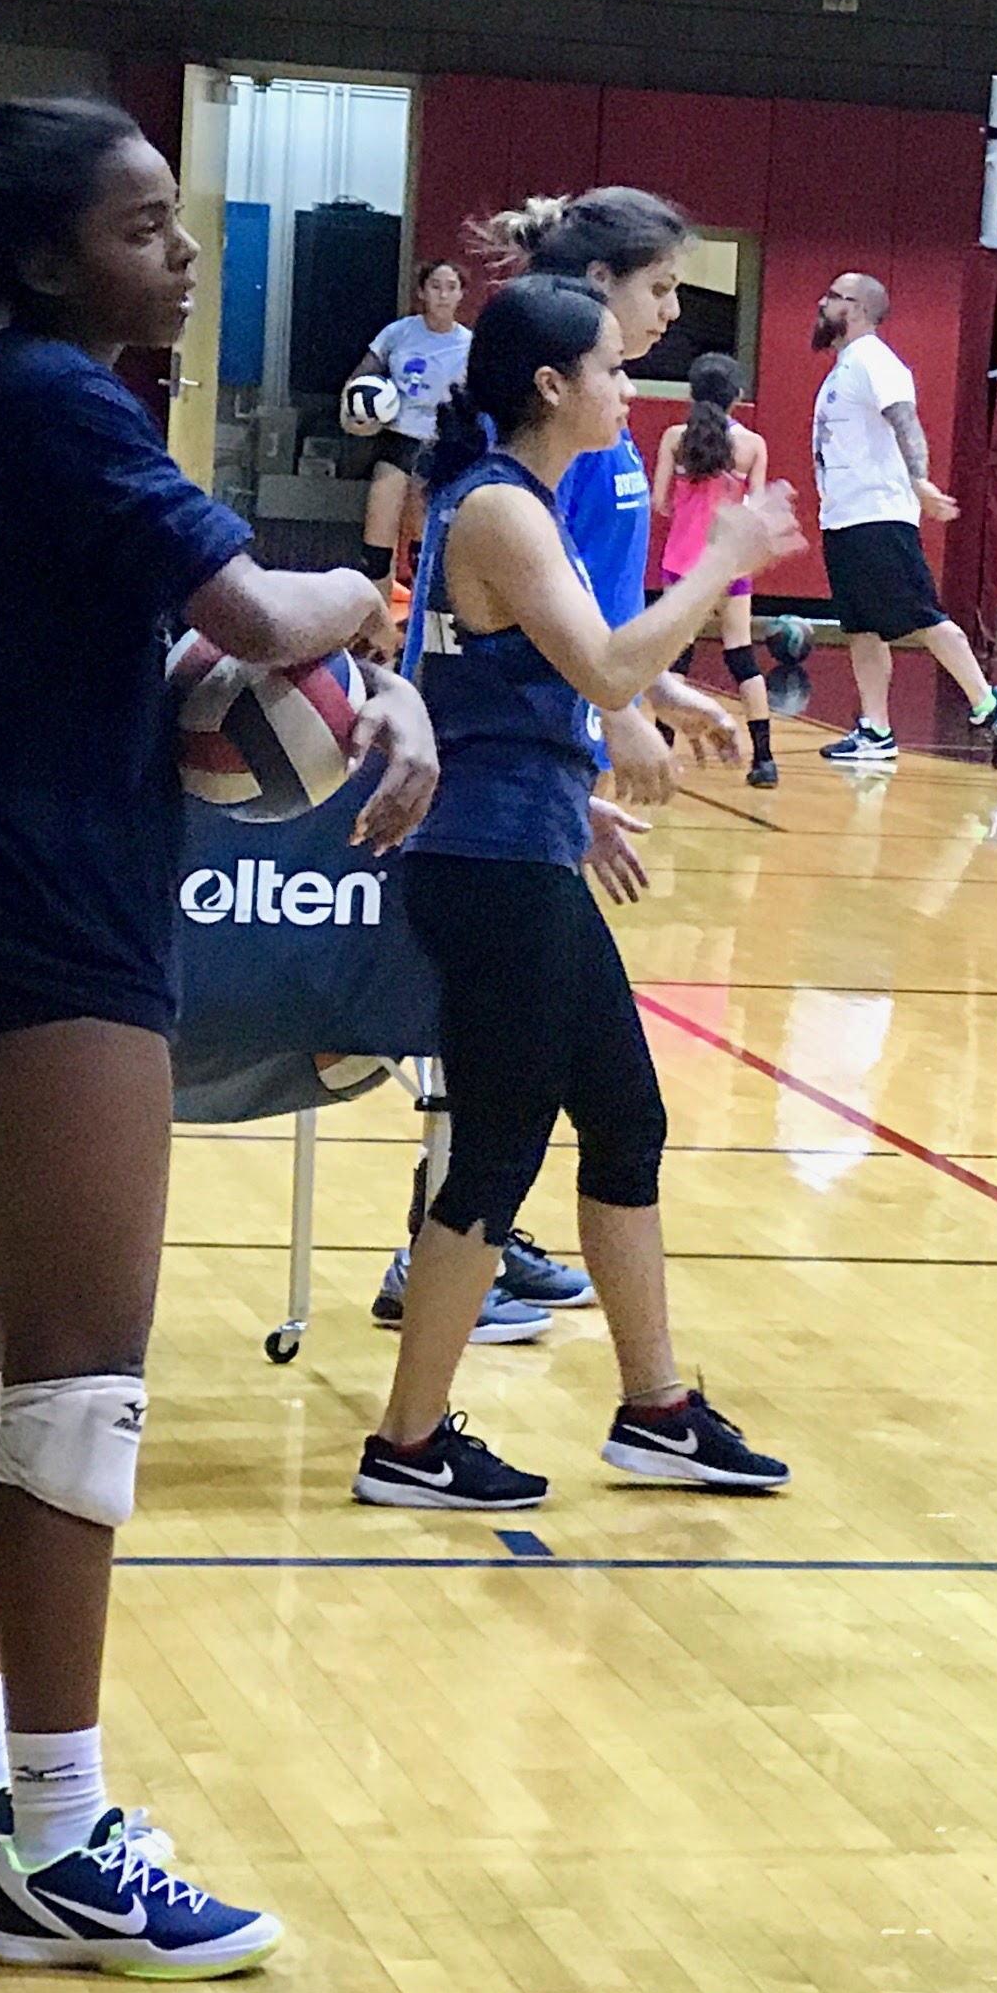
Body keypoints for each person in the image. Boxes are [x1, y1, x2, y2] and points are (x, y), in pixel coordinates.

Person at [0, 95, 437, 1973]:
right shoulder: (57, 400)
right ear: (49, 261)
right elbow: (270, 610)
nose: (181, 251)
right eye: (141, 226)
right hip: (52, 937)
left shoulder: (26, 402)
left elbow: (207, 655)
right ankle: (62, 1835)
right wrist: (378, 604)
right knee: (78, 1393)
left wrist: (314, 681)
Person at [353, 274, 802, 1511]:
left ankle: (654, 1408)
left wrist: (597, 776)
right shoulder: (497, 504)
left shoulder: (508, 500)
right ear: (551, 386)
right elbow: (602, 660)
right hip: (488, 863)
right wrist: (719, 558)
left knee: (625, 1115)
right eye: (611, 366)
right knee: (498, 1151)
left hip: (519, 843)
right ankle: (406, 1443)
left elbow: (536, 681)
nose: (628, 385)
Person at [366, 187, 742, 1339]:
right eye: (659, 289)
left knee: (590, 1108)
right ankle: (439, 1306)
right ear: (590, 304)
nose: (671, 316)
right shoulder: (536, 460)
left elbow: (589, 622)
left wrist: (648, 699)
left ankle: (637, 1392)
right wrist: (612, 716)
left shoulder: (603, 426)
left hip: (537, 781)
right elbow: (533, 629)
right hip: (502, 799)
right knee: (511, 1109)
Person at [807, 272, 997, 771]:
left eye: (833, 297)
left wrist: (920, 481)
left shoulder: (875, 362)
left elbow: (905, 420)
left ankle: (990, 703)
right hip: (844, 518)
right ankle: (876, 731)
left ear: (856, 308)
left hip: (880, 516)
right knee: (861, 628)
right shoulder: (844, 367)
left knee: (923, 616)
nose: (822, 303)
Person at [650, 350, 781, 787]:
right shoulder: (753, 445)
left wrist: (688, 511)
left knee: (676, 656)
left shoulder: (674, 437)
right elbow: (757, 512)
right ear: (737, 396)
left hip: (682, 562)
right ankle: (763, 760)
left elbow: (659, 503)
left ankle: (660, 751)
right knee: (741, 655)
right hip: (729, 563)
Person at [350, 257, 468, 582]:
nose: (443, 295)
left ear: (461, 295)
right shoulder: (399, 333)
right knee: (376, 546)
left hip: (438, 445)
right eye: (435, 286)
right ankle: (377, 629)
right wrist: (354, 413)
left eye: (451, 288)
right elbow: (360, 378)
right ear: (421, 292)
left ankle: (422, 624)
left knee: (424, 543)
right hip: (396, 439)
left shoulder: (469, 346)